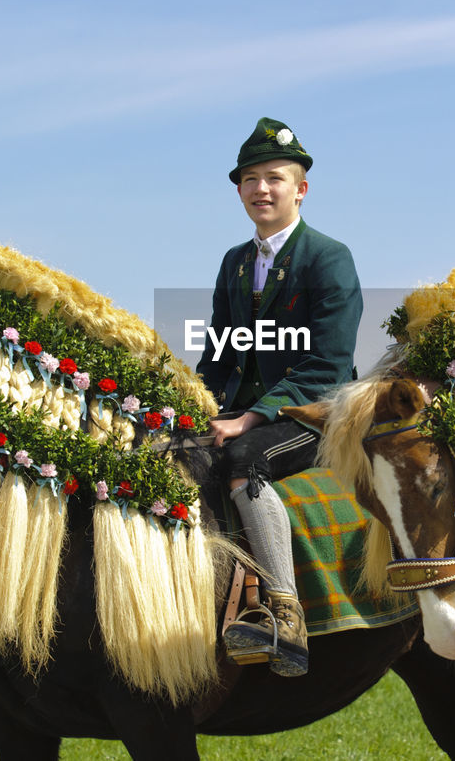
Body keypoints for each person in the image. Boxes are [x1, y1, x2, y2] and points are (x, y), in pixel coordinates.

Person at [198, 117, 363, 676]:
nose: (261, 189)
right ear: (239, 189)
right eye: (250, 179)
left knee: (246, 459)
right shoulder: (234, 262)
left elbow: (329, 365)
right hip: (244, 411)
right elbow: (222, 349)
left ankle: (285, 614)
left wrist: (251, 417)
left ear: (301, 189)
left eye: (274, 177)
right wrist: (191, 401)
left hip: (314, 412)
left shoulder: (328, 257)